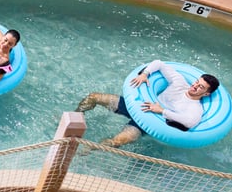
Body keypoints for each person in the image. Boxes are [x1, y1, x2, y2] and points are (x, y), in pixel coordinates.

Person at [75, 59, 220, 147]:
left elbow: (190, 122)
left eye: (200, 87)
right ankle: (75, 117)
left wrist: (161, 110)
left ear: (206, 93)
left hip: (148, 123)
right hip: (139, 106)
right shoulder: (180, 82)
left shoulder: (195, 107)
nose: (195, 86)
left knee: (116, 142)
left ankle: (87, 150)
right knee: (94, 96)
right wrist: (145, 74)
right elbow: (159, 63)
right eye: (197, 82)